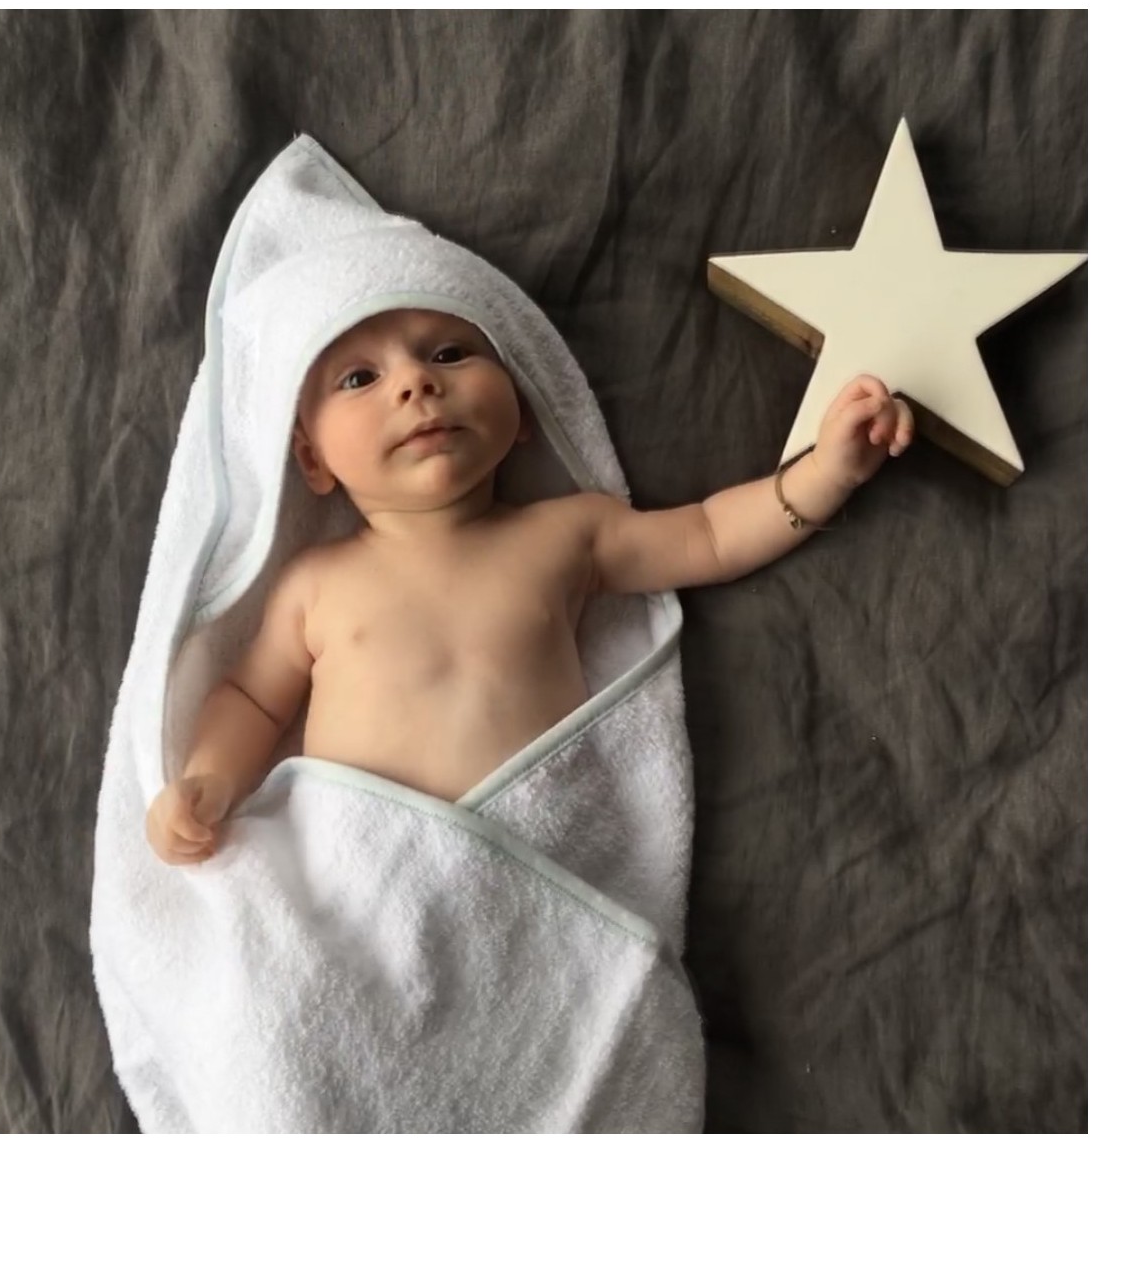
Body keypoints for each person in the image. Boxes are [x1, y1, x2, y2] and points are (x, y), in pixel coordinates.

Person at [145, 305, 914, 864]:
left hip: (525, 861)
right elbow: (251, 700)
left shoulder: (565, 533)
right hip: (364, 871)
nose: (415, 381)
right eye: (359, 377)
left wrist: (825, 472)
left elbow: (709, 534)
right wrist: (208, 780)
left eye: (449, 353)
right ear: (312, 459)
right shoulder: (315, 583)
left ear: (521, 411)